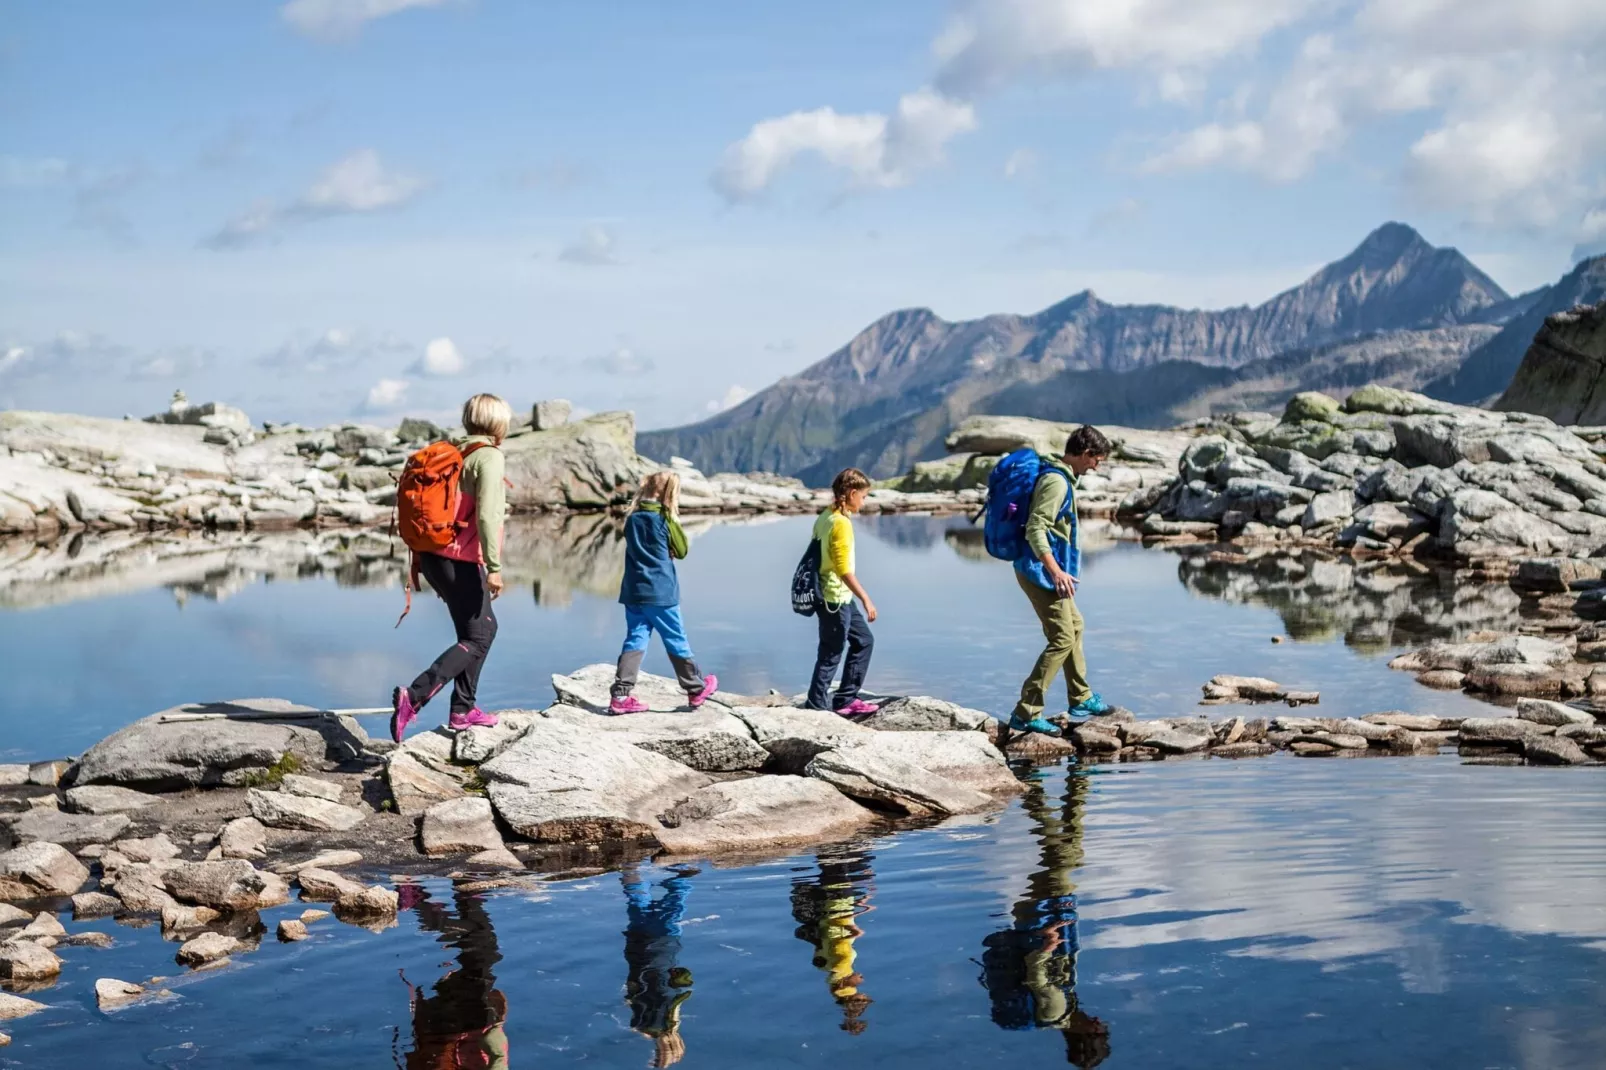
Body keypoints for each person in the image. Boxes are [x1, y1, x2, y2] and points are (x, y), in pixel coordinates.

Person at [390, 393, 511, 742]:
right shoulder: (487, 457)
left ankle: (463, 711)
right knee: (481, 635)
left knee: (475, 634)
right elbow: (488, 515)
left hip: (433, 559)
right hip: (460, 560)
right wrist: (494, 566)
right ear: (498, 423)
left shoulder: (454, 453)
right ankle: (414, 696)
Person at [978, 773, 1110, 1068]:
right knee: (1068, 852)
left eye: (1098, 1029)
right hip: (1035, 918)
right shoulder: (1063, 1011)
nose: (1099, 1020)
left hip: (1043, 919)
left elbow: (1036, 975)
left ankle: (1044, 783)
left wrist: (1048, 939)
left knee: (1064, 855)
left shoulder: (1055, 1011)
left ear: (1083, 1035)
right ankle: (1065, 783)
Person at [1009, 426, 1113, 736]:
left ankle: (1080, 698)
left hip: (1049, 572)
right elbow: (1035, 530)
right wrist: (1055, 571)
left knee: (1075, 626)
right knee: (1062, 638)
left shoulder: (1061, 477)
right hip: (1040, 572)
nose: (1097, 467)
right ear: (1085, 454)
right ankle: (1026, 711)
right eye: (1097, 460)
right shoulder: (1055, 482)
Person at [609, 471, 717, 714]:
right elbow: (681, 550)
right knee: (675, 638)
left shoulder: (632, 518)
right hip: (661, 592)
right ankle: (695, 688)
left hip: (634, 591)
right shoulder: (665, 519)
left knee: (635, 638)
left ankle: (621, 695)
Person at [399, 882, 511, 1069]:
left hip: (464, 1019)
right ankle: (467, 896)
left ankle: (419, 903)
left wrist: (495, 1029)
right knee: (481, 943)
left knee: (483, 946)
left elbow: (497, 1054)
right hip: (450, 1019)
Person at [806, 468, 878, 715]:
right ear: (852, 493)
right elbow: (843, 569)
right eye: (864, 496)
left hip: (837, 597)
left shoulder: (825, 516)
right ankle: (816, 706)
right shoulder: (840, 524)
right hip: (834, 598)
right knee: (831, 652)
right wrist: (866, 598)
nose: (864, 501)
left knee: (863, 641)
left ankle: (845, 699)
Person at [790, 847, 876, 1034]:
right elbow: (827, 934)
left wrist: (855, 931)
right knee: (830, 869)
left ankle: (828, 843)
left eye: (858, 985)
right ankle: (824, 846)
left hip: (840, 904)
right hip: (829, 907)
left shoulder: (842, 963)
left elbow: (838, 935)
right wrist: (861, 906)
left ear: (846, 985)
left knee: (837, 864)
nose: (861, 979)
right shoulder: (824, 965)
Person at [621, 864, 698, 1068]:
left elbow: (683, 979)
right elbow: (635, 997)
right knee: (641, 906)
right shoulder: (657, 1021)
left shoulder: (672, 1012)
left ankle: (678, 876)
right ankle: (632, 871)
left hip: (658, 949)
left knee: (669, 906)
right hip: (644, 950)